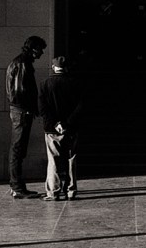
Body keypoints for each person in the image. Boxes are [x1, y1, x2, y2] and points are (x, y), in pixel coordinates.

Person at [39, 54, 87, 201]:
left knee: (53, 160)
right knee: (71, 159)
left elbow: (43, 108)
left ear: (53, 67)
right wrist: (66, 123)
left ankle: (53, 192)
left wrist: (56, 124)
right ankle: (71, 191)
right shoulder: (75, 83)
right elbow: (80, 106)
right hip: (71, 127)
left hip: (52, 129)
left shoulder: (45, 83)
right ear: (66, 68)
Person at [6, 35, 46, 199]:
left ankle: (16, 185)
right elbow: (20, 90)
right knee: (18, 149)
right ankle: (17, 187)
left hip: (20, 110)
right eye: (40, 49)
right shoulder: (23, 63)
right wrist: (29, 108)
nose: (42, 53)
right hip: (22, 111)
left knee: (18, 148)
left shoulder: (21, 62)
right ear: (33, 48)